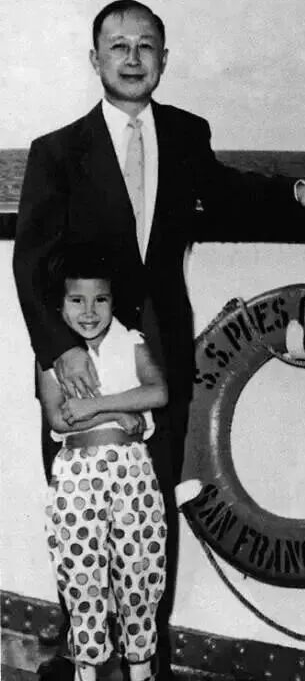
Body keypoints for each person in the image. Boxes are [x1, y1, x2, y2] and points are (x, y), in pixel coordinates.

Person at [12, 0, 305, 681]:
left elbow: (226, 188)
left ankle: (146, 655)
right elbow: (30, 262)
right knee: (80, 509)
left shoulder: (183, 132)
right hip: (79, 352)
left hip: (158, 345)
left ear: (165, 60)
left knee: (150, 507)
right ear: (95, 60)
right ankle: (85, 652)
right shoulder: (57, 151)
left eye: (146, 45)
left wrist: (295, 191)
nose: (132, 57)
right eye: (118, 45)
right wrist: (60, 348)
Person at [39, 245, 168, 681]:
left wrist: (100, 405)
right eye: (77, 300)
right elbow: (60, 418)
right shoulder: (52, 358)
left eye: (101, 299)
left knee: (140, 566)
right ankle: (87, 670)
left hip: (132, 470)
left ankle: (141, 668)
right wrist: (117, 415)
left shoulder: (131, 343)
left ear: (114, 301)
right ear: (60, 306)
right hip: (77, 475)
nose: (90, 311)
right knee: (81, 572)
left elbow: (157, 392)